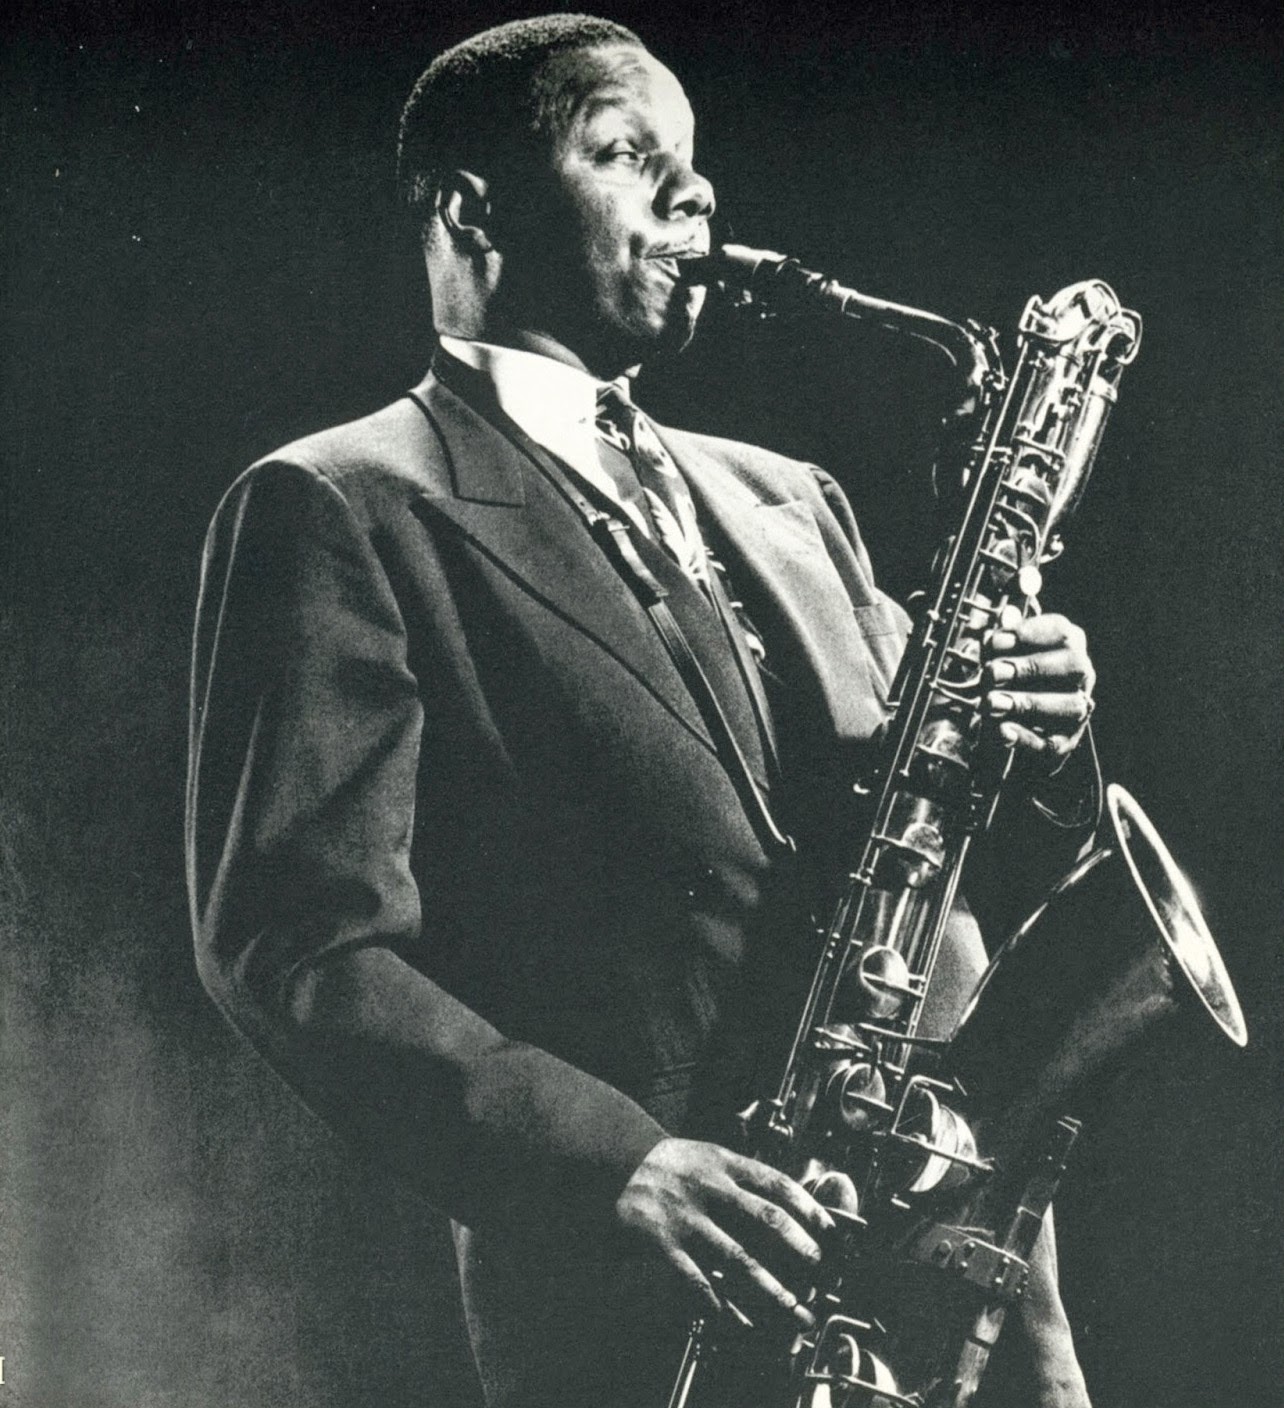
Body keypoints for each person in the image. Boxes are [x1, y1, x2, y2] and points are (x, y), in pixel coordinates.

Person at [185, 14, 1099, 1408]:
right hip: (659, 1298)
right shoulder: (340, 504)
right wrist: (616, 1165)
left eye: (694, 160)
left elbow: (935, 834)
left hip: (947, 1260)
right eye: (627, 153)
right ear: (473, 211)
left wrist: (1042, 727)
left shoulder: (793, 497)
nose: (696, 194)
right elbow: (296, 945)